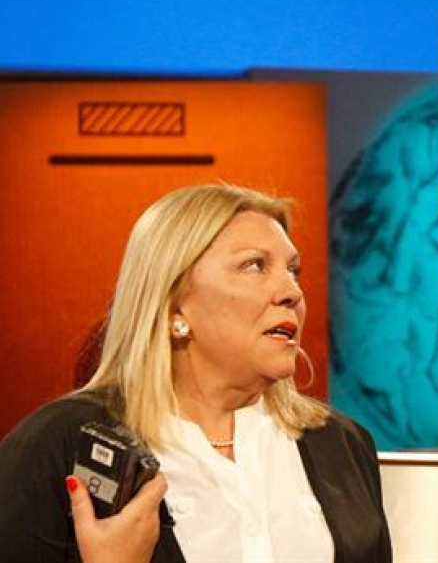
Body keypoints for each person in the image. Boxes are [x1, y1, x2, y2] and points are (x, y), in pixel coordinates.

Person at [0, 184, 392, 562]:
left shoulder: (342, 444)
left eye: (293, 270)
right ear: (174, 305)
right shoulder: (60, 443)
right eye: (254, 265)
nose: (292, 292)